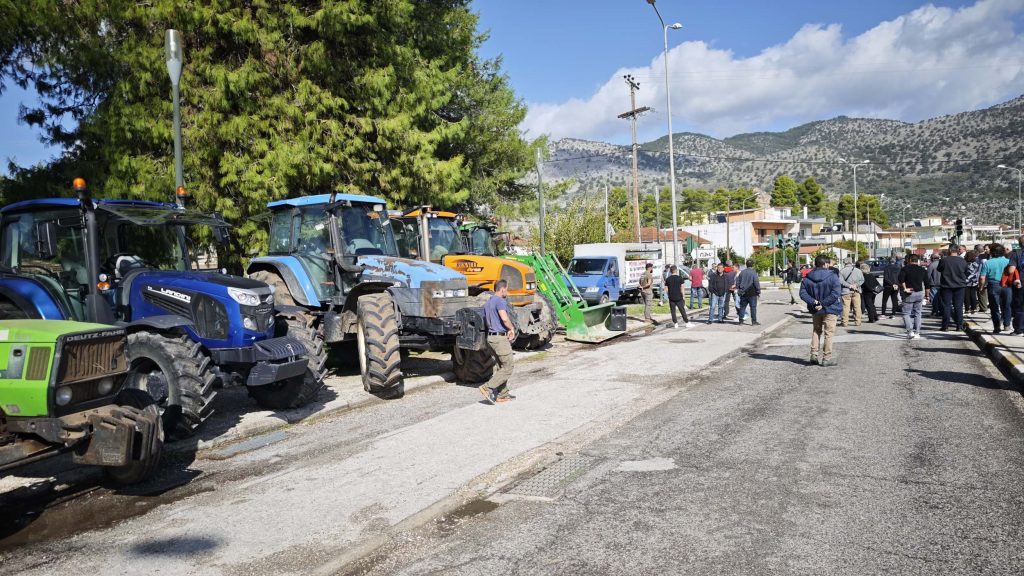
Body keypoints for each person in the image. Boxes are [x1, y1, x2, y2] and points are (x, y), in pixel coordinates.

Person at [479, 279, 517, 404]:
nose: (507, 292)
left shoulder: (488, 302)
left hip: (491, 338)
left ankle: (502, 394)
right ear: (502, 289)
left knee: (501, 367)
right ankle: (487, 387)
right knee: (508, 367)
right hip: (499, 339)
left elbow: (488, 321)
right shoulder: (500, 301)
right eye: (507, 289)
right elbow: (504, 319)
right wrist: (511, 328)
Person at [800, 254, 843, 366]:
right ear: (825, 264)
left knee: (816, 331)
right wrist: (823, 304)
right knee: (828, 333)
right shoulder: (833, 276)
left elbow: (802, 293)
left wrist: (814, 302)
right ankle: (826, 358)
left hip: (815, 309)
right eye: (828, 263)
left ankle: (813, 354)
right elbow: (836, 293)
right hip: (831, 308)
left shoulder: (807, 277)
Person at [980, 243, 1011, 334]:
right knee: (1007, 305)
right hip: (1006, 285)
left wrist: (981, 287)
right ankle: (1007, 324)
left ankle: (997, 327)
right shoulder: (1008, 261)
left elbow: (982, 277)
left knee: (994, 307)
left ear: (992, 252)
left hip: (993, 285)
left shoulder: (987, 263)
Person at [937, 243, 969, 332]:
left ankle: (945, 326)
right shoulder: (963, 261)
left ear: (950, 250)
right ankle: (959, 326)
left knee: (946, 306)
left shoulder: (944, 260)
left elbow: (939, 269)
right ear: (958, 250)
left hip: (946, 285)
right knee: (958, 306)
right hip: (960, 285)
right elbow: (966, 272)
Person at [899, 254, 928, 339]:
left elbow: (901, 279)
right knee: (918, 313)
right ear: (917, 260)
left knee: (906, 313)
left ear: (909, 260)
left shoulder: (905, 269)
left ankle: (910, 331)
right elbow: (927, 283)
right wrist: (927, 295)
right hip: (919, 293)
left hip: (909, 293)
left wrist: (905, 288)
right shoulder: (922, 269)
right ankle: (917, 332)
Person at [839, 258, 865, 327]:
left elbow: (841, 281)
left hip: (845, 291)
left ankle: (844, 322)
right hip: (856, 290)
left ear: (844, 263)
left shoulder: (841, 271)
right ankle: (858, 322)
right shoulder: (858, 270)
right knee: (857, 307)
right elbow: (862, 280)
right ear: (851, 262)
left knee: (845, 307)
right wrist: (856, 285)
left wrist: (849, 286)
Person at [736, 259, 762, 325]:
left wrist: (739, 289)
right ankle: (754, 321)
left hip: (743, 293)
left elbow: (737, 281)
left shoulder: (742, 272)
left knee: (742, 307)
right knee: (753, 308)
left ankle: (740, 321)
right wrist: (758, 291)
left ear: (746, 265)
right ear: (752, 265)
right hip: (752, 293)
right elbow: (756, 282)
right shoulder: (753, 272)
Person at [975, 244, 990, 313]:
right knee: (982, 292)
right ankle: (983, 306)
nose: (986, 250)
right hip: (983, 276)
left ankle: (983, 307)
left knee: (982, 292)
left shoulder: (982, 257)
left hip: (983, 276)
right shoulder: (983, 256)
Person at [965, 250, 980, 315]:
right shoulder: (976, 264)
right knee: (973, 295)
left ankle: (967, 309)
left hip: (966, 281)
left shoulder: (966, 263)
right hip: (974, 281)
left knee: (966, 295)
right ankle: (974, 308)